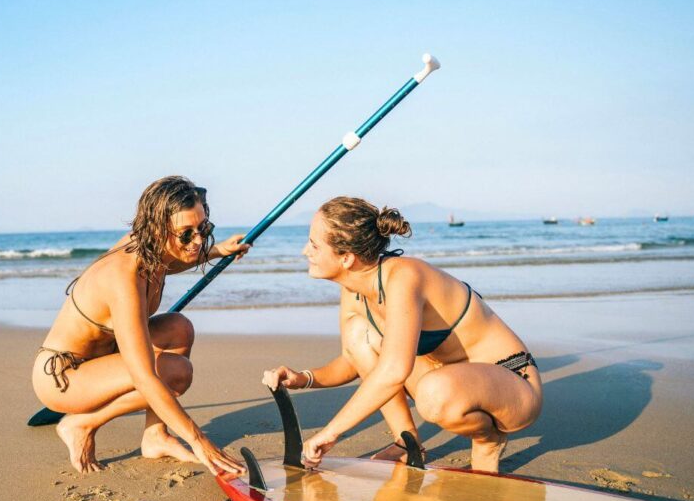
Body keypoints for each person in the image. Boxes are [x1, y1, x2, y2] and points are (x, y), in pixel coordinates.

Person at [262, 197, 542, 472]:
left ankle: (487, 440)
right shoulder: (354, 290)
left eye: (313, 244)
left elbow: (395, 369)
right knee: (361, 335)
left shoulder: (404, 277)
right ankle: (407, 443)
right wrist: (303, 378)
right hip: (446, 377)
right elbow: (353, 359)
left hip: (510, 383)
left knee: (433, 394)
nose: (304, 251)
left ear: (346, 258)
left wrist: (331, 432)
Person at [32, 176, 249, 475]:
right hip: (65, 376)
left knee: (178, 328)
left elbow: (172, 261)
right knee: (175, 372)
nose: (197, 240)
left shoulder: (152, 248)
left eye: (203, 228)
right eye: (186, 234)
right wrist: (199, 441)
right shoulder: (123, 277)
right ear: (157, 230)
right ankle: (80, 424)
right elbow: (144, 376)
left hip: (104, 360)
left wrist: (217, 251)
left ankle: (155, 436)